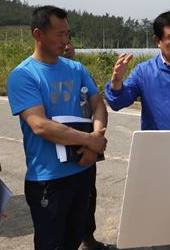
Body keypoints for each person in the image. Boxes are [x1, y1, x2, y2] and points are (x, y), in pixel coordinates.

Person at [7, 6, 108, 250]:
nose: (65, 40)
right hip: (48, 180)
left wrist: (96, 139)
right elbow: (40, 125)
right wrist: (89, 140)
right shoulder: (23, 75)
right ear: (38, 34)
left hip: (82, 170)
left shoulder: (76, 69)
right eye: (59, 34)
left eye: (67, 34)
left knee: (73, 240)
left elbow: (98, 105)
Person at [61, 37, 111, 250]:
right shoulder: (39, 74)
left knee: (88, 193)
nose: (67, 46)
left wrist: (93, 143)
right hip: (62, 145)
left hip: (90, 143)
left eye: (69, 41)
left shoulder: (79, 71)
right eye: (61, 41)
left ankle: (87, 237)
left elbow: (98, 104)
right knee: (64, 200)